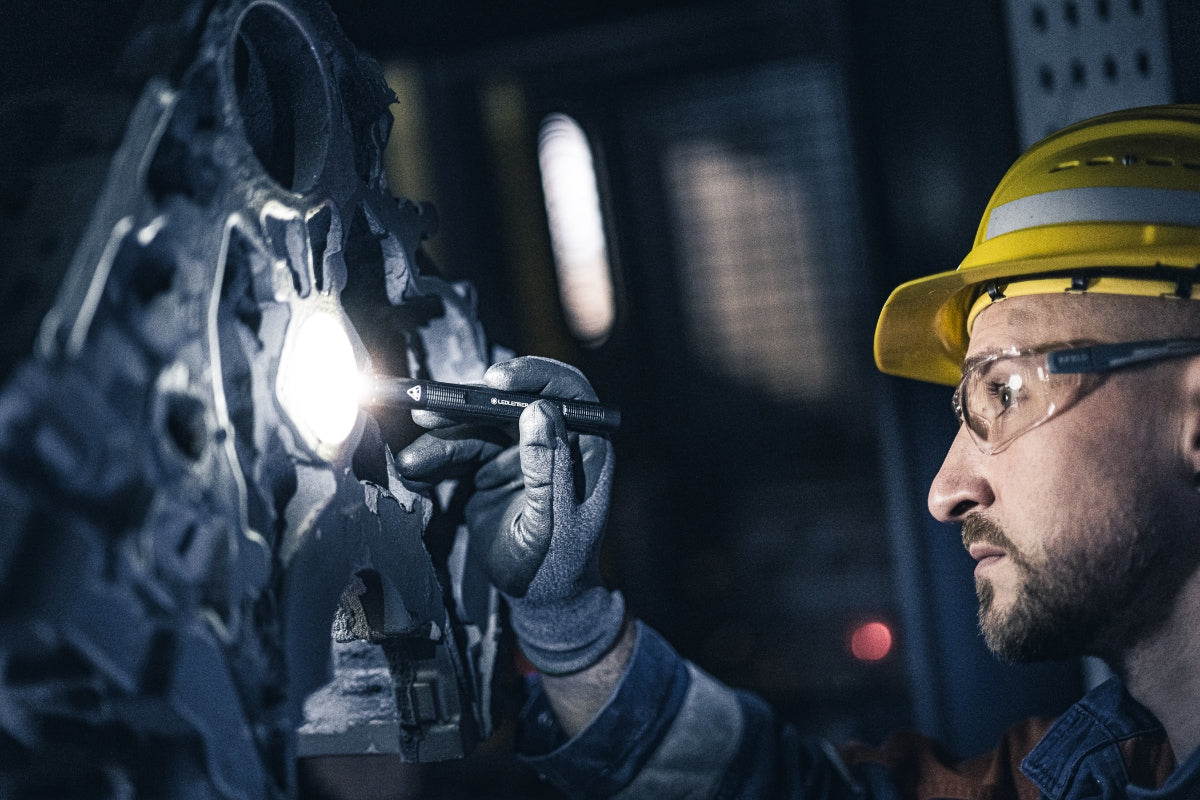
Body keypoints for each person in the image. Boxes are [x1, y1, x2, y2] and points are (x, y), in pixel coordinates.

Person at [397, 104, 1200, 798]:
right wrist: (568, 623)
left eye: (1007, 391)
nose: (946, 490)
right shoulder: (1099, 773)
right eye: (967, 407)